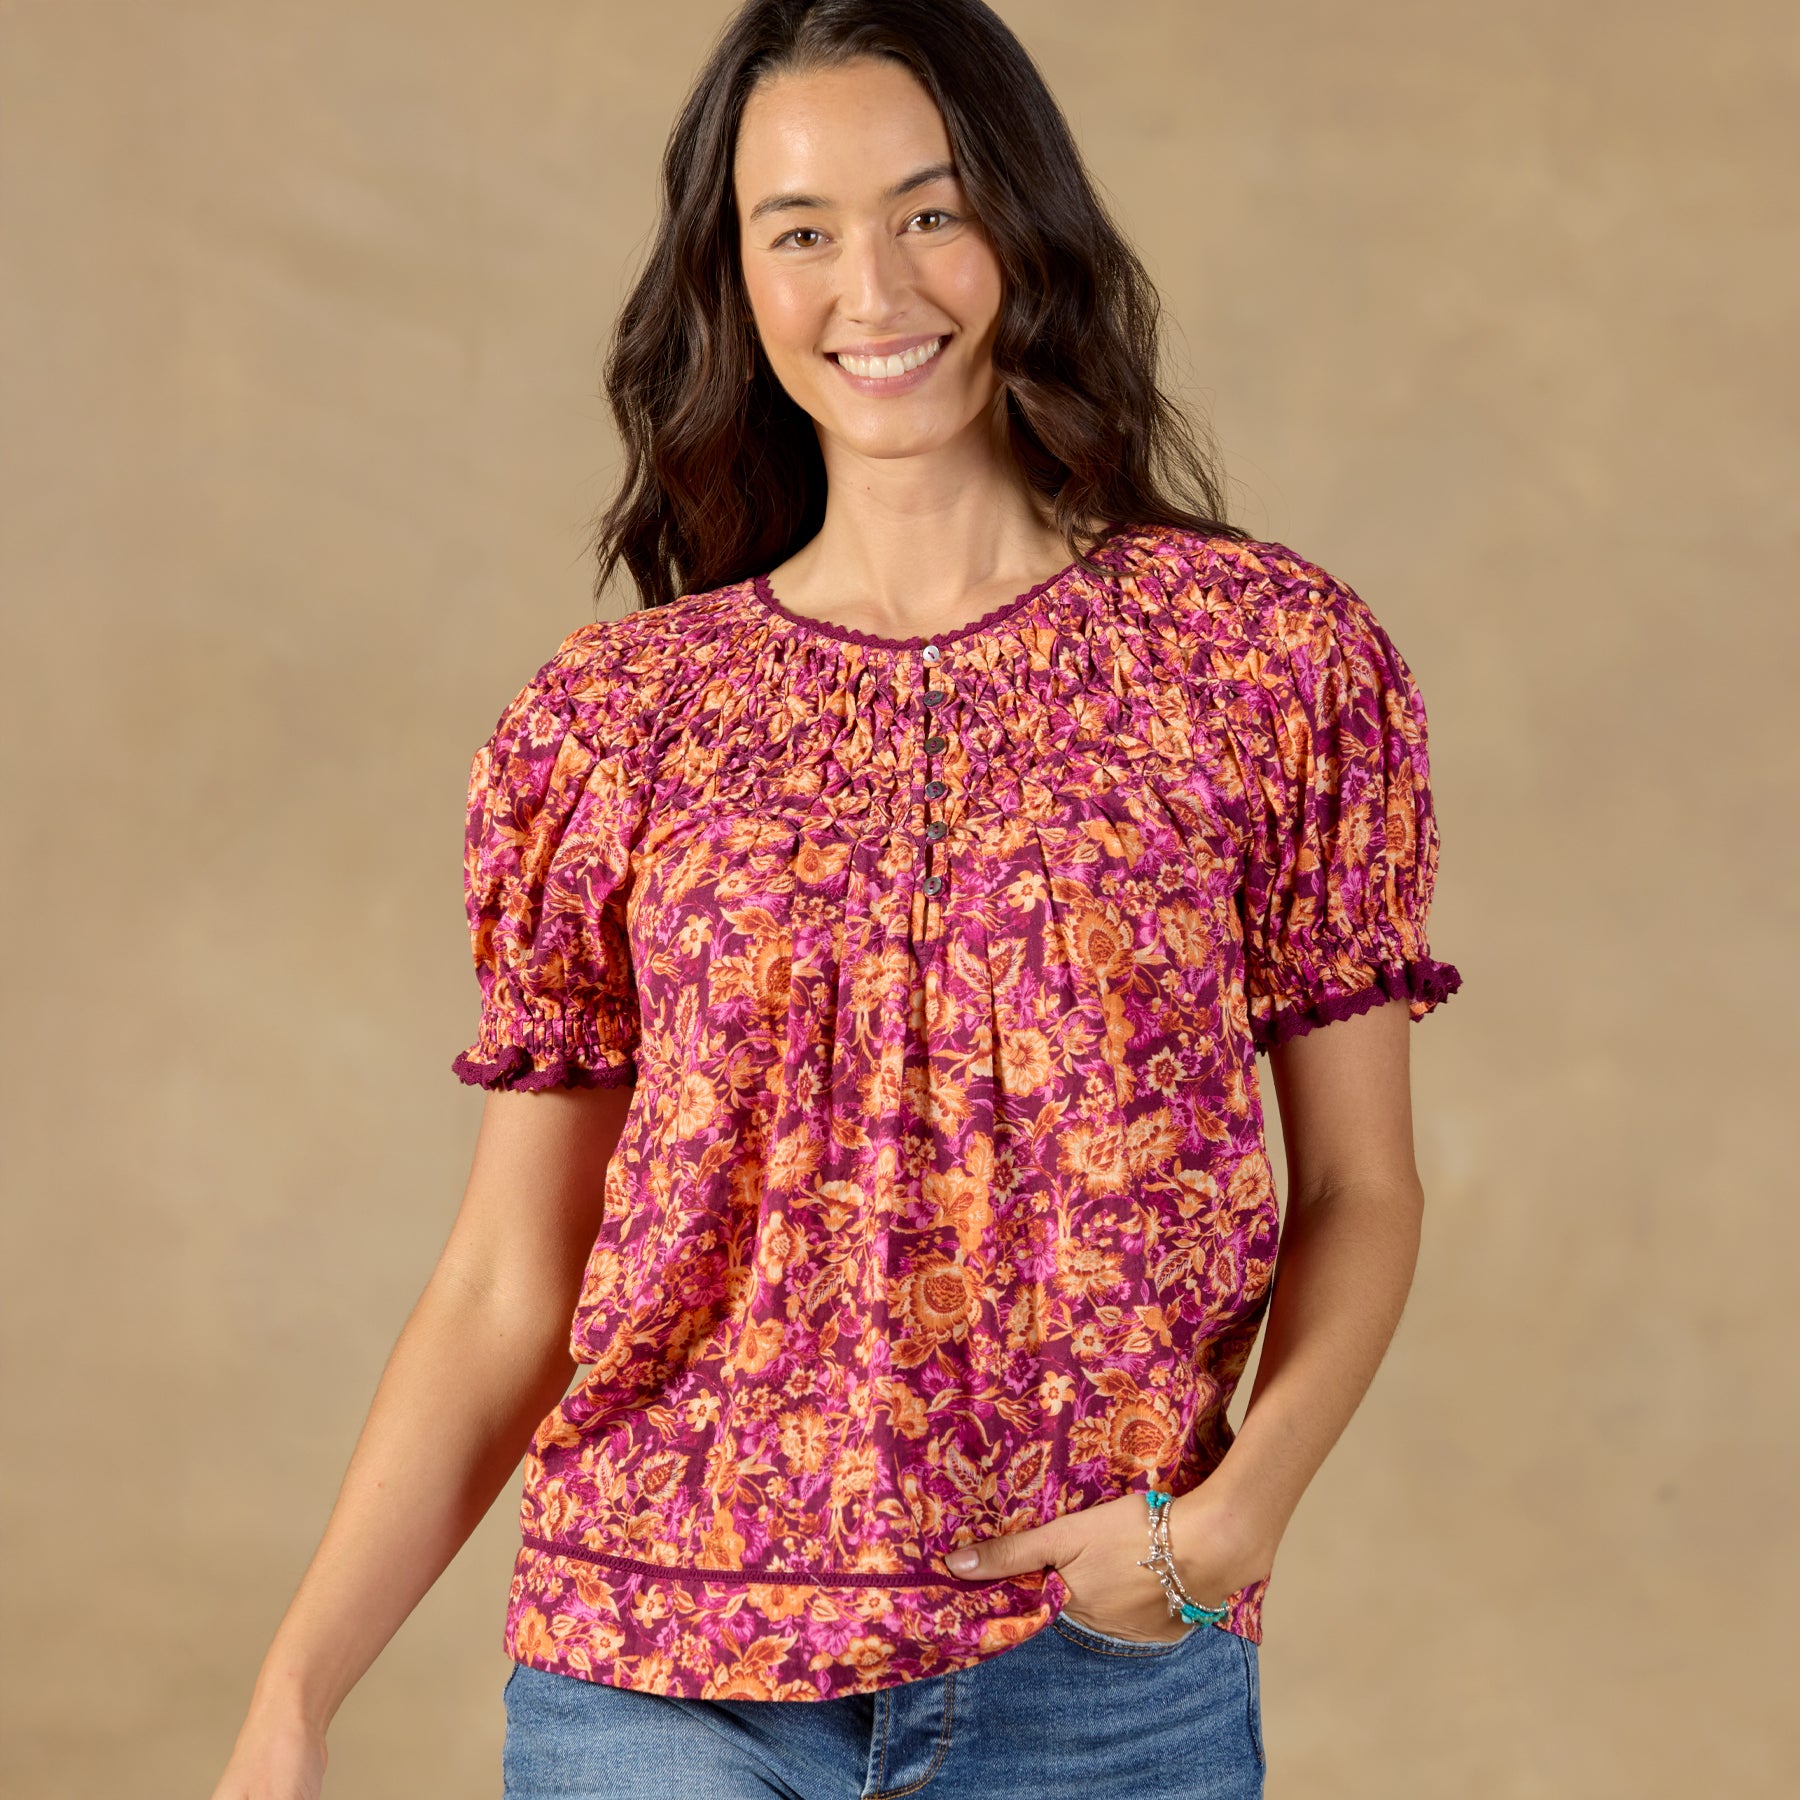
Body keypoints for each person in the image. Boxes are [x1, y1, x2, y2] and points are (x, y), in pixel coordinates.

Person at [211, 2, 1464, 1796]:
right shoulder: (617, 724)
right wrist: (294, 1694)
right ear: (735, 285)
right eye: (798, 231)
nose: (872, 287)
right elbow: (509, 1279)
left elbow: (1358, 1185)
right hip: (653, 1688)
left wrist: (1229, 1522)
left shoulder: (1262, 661)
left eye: (929, 211)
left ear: (1025, 226)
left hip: (1095, 1679)